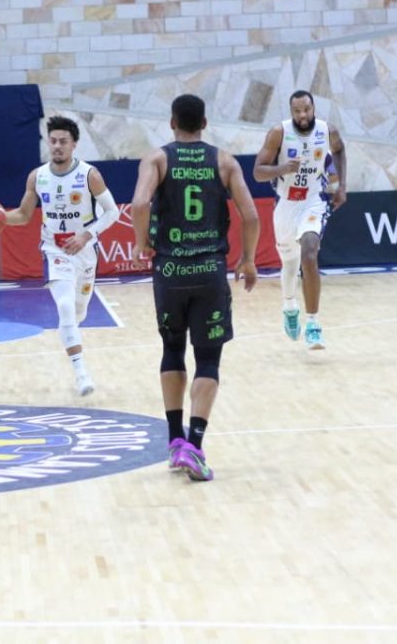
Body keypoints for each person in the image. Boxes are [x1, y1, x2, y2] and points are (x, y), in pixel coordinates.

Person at [131, 94, 259, 482]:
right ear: (204, 124)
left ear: (172, 123)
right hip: (209, 271)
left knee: (172, 349)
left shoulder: (157, 159)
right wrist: (248, 259)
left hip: (170, 270)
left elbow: (140, 204)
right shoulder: (225, 162)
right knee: (208, 360)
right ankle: (195, 445)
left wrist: (141, 242)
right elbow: (251, 215)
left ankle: (175, 441)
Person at [4, 116, 121, 396]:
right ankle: (82, 374)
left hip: (85, 251)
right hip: (54, 250)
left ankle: (70, 334)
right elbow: (23, 215)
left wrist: (85, 236)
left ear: (74, 144)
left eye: (63, 141)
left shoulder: (89, 175)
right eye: (53, 140)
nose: (57, 146)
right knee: (66, 306)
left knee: (79, 311)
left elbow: (112, 212)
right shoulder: (37, 176)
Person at [252, 90, 346, 350]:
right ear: (291, 111)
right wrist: (282, 168)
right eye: (297, 111)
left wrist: (341, 186)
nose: (302, 115)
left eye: (306, 109)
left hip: (314, 200)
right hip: (286, 204)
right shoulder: (278, 133)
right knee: (290, 264)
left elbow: (339, 151)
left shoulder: (327, 131)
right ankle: (289, 306)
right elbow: (258, 172)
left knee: (309, 253)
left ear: (313, 108)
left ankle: (313, 324)